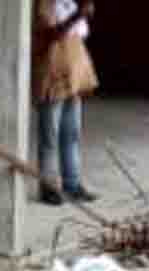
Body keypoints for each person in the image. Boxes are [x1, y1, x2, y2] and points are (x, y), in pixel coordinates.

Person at [32, 0, 97, 205]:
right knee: (49, 137)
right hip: (52, 77)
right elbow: (50, 35)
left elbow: (79, 35)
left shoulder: (67, 3)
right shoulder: (44, 5)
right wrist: (78, 15)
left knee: (71, 135)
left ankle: (72, 184)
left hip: (72, 78)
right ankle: (48, 188)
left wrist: (79, 14)